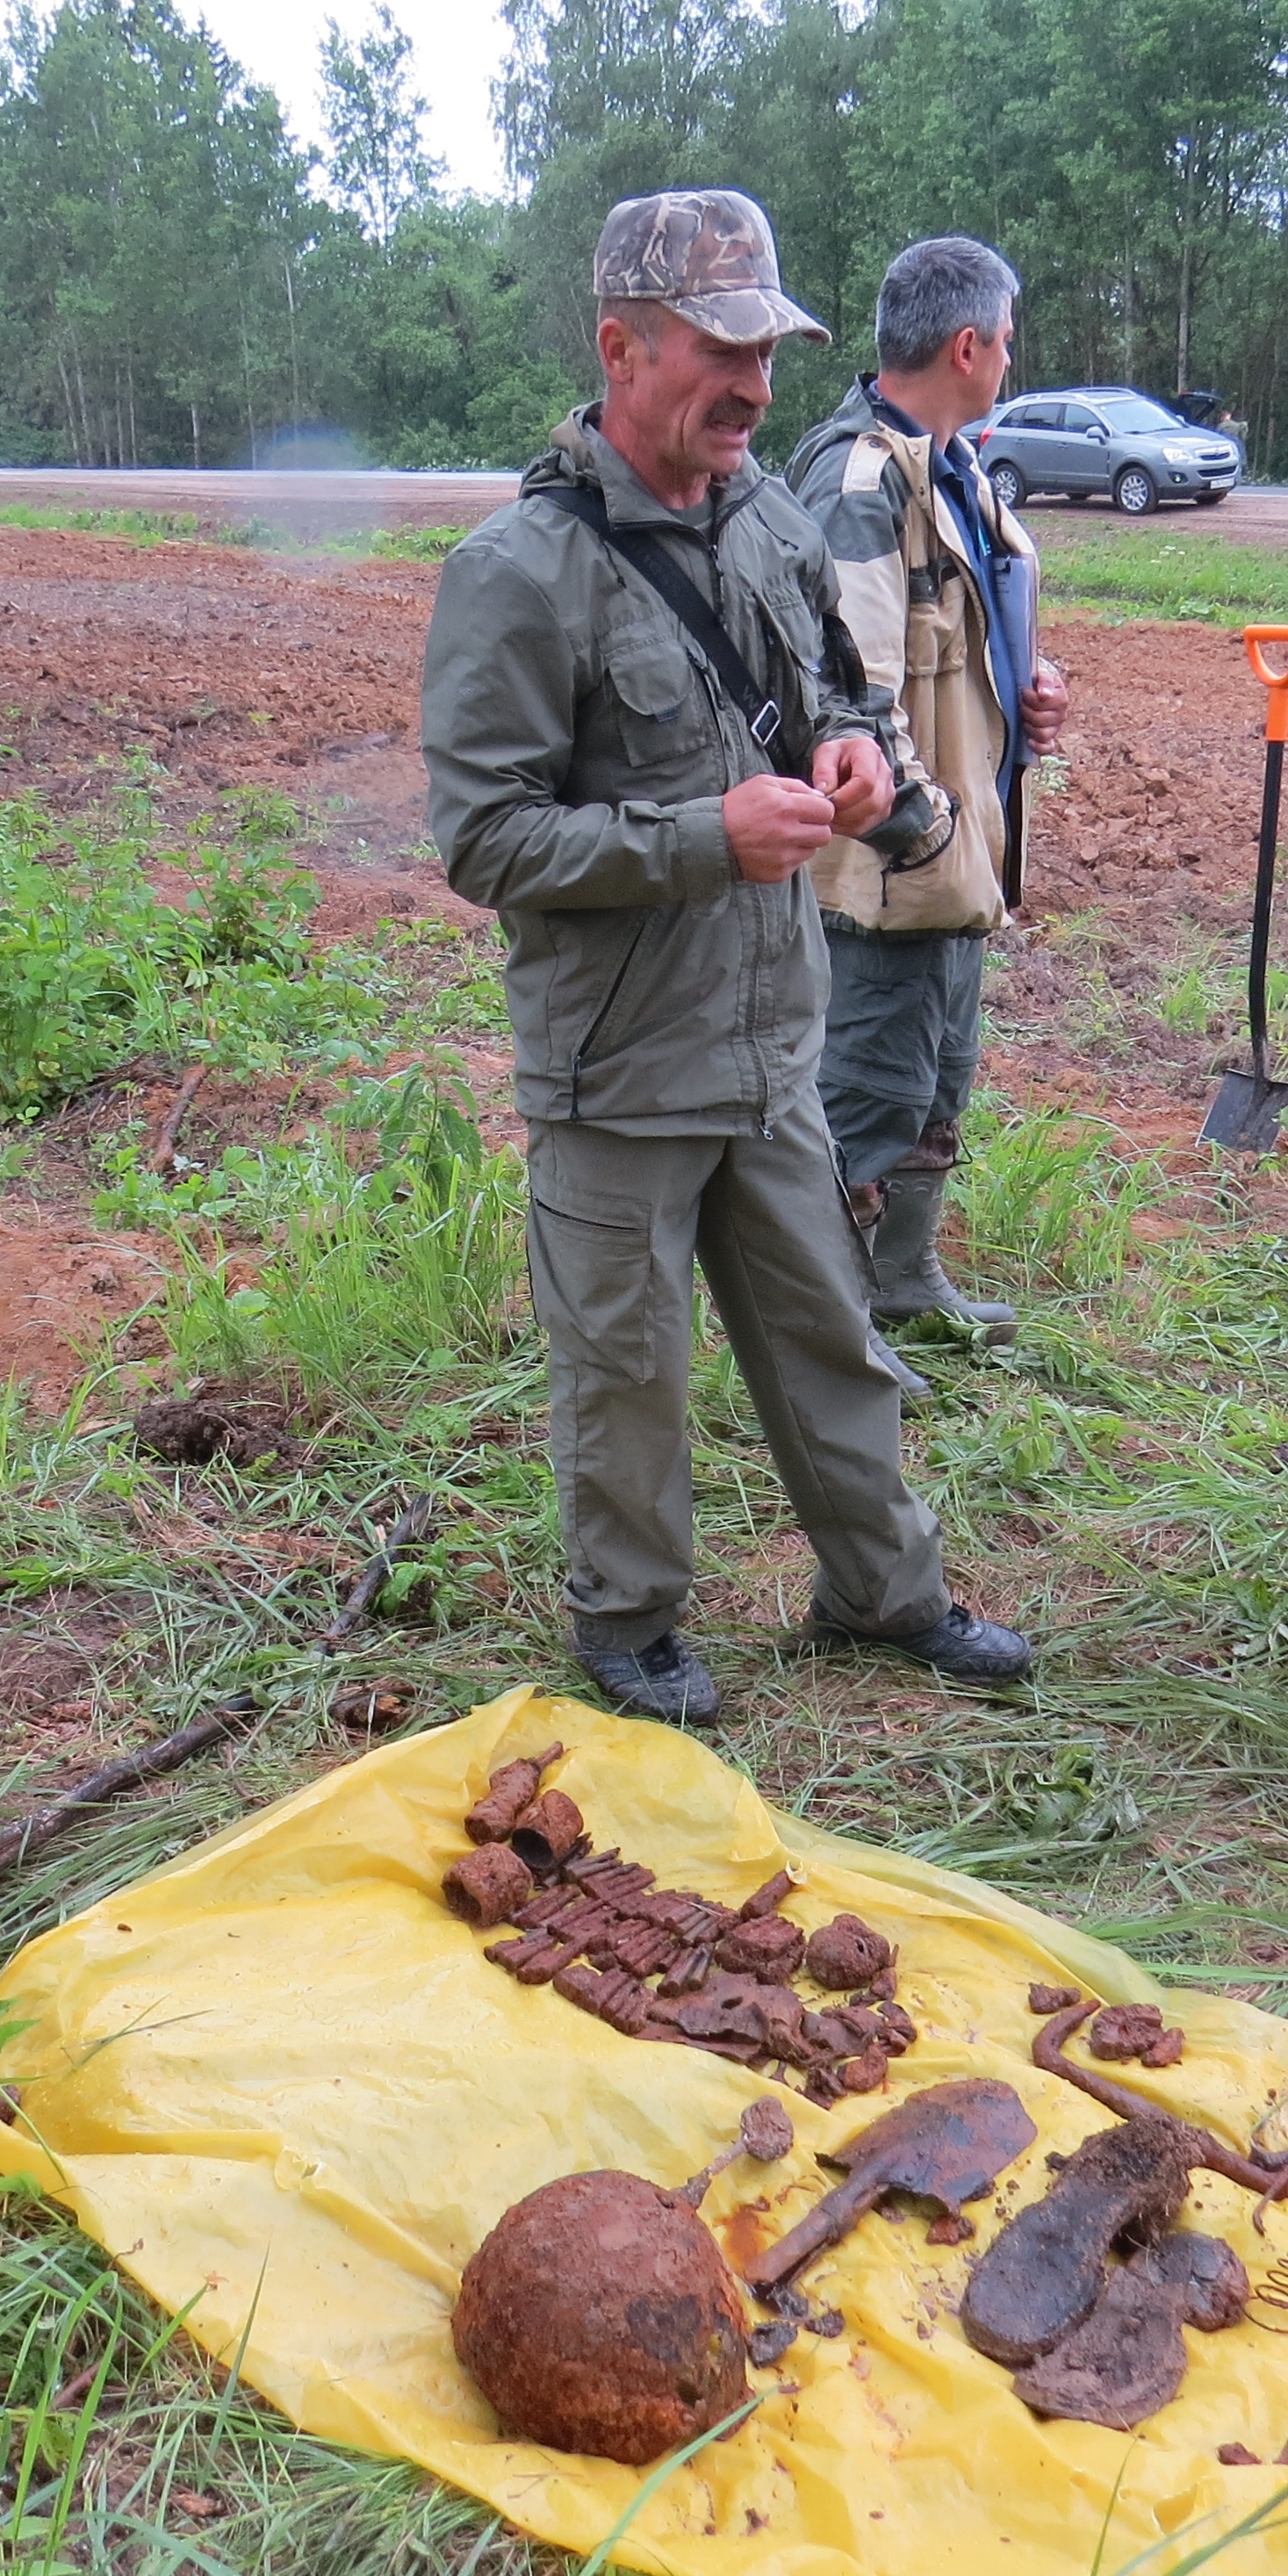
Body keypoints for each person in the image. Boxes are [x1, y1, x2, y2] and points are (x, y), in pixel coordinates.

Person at [420, 189, 1037, 1726]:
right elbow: (485, 843)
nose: (756, 385)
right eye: (721, 348)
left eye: (770, 348)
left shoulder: (766, 516)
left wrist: (862, 765)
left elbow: (842, 696)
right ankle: (628, 1629)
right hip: (619, 1065)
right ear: (621, 348)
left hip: (773, 1041)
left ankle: (883, 1594)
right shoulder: (517, 570)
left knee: (830, 1337)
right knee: (627, 1376)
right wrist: (703, 836)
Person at [783, 238, 1073, 1360]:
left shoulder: (952, 469)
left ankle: (903, 1282)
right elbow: (848, 691)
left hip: (955, 861)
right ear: (969, 345)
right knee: (863, 1101)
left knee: (934, 1086)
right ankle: (827, 1340)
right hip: (890, 868)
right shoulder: (864, 480)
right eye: (1007, 339)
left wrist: (1028, 695)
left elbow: (958, 652)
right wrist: (928, 828)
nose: (1011, 358)